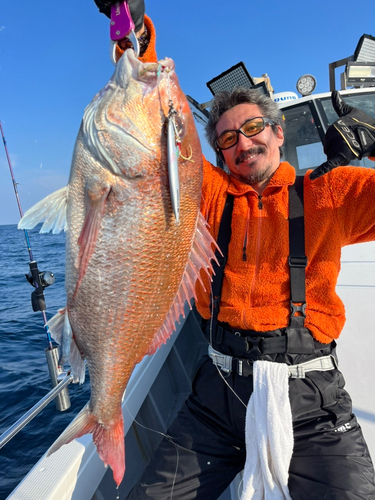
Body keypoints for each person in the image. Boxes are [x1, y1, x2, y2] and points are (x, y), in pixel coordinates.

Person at [94, 2, 375, 498]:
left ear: (277, 133)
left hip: (314, 400)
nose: (242, 145)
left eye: (251, 129)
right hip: (217, 394)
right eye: (227, 139)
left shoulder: (330, 190)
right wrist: (131, 29)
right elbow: (156, 117)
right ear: (218, 153)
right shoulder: (207, 192)